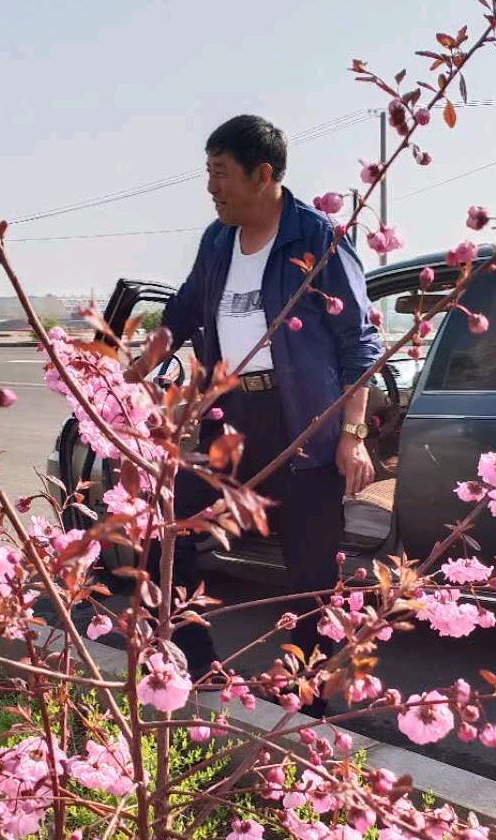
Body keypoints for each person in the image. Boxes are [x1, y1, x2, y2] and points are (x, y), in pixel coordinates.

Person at [159, 114, 382, 682]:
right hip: (230, 421)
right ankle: (198, 660)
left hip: (304, 424)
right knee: (173, 527)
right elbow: (183, 312)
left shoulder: (318, 237)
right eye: (206, 172)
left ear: (262, 175)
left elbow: (358, 343)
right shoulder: (218, 239)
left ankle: (304, 694)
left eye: (219, 173)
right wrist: (124, 370)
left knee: (308, 571)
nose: (211, 188)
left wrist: (352, 437)